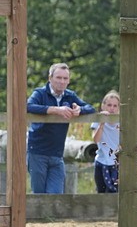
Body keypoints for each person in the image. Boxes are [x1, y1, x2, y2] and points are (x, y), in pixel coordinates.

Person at [27, 63, 95, 194]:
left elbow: (90, 108)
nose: (62, 81)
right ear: (50, 78)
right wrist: (55, 110)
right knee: (39, 195)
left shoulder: (70, 96)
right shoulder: (40, 93)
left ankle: (51, 216)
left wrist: (80, 110)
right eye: (58, 78)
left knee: (56, 196)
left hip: (57, 154)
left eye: (65, 78)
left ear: (69, 80)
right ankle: (41, 216)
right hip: (37, 152)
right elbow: (28, 106)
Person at [91, 91, 121, 193]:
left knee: (117, 193)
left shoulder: (123, 121)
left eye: (115, 106)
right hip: (102, 161)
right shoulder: (98, 120)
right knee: (101, 193)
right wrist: (102, 124)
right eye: (109, 105)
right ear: (103, 106)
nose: (112, 108)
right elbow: (96, 140)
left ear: (118, 108)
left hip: (118, 163)